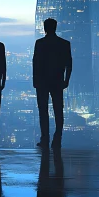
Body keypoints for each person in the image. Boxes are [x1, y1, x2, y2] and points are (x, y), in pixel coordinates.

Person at [32, 18, 72, 149]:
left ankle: (45, 139)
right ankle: (57, 138)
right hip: (57, 81)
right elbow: (69, 64)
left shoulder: (40, 43)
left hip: (42, 82)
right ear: (55, 27)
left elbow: (35, 63)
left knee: (43, 111)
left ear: (45, 28)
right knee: (58, 110)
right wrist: (66, 80)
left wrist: (35, 80)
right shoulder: (64, 44)